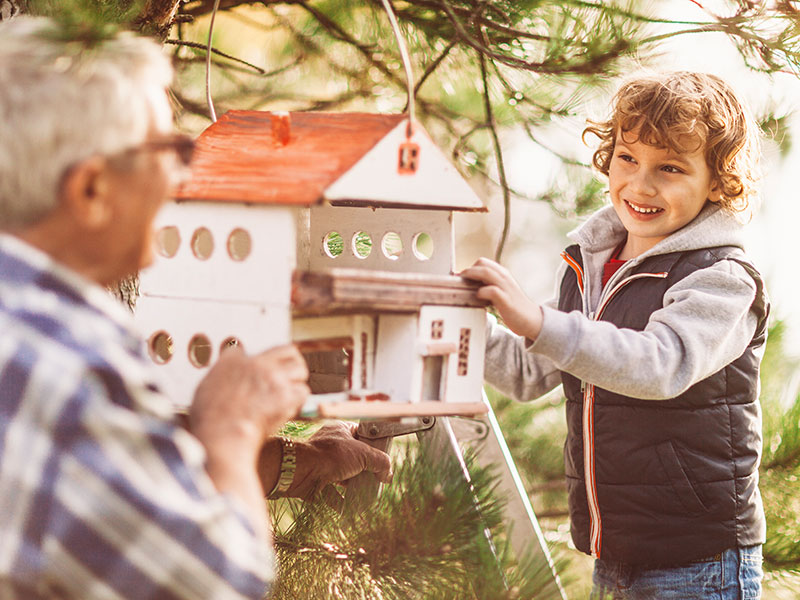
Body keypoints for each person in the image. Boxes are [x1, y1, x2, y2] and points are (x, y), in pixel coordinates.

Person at [0, 16, 391, 599]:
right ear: (91, 190)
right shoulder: (61, 357)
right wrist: (231, 427)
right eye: (170, 148)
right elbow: (212, 580)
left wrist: (292, 461)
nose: (183, 173)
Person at [461, 71, 769, 599]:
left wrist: (537, 321)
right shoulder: (594, 265)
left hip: (698, 559)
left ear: (718, 183)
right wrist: (450, 328)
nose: (641, 185)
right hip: (616, 552)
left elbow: (659, 364)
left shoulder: (721, 278)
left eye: (670, 168)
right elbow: (529, 371)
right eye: (628, 159)